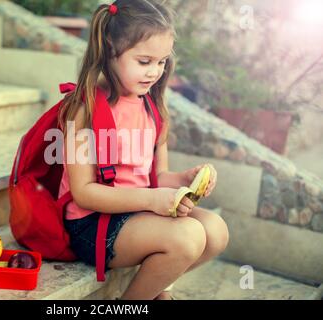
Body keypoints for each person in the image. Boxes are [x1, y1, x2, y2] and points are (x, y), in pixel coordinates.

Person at [57, 0, 229, 300]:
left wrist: (184, 179)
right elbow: (83, 192)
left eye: (162, 62)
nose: (155, 72)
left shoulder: (153, 106)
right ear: (110, 50)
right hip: (91, 223)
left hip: (136, 213)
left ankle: (154, 287)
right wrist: (152, 199)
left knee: (215, 231)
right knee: (188, 237)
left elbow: (157, 177)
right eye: (144, 61)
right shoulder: (84, 108)